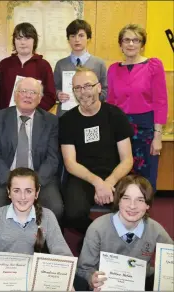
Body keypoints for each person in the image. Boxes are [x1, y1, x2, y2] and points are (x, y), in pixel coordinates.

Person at [0, 168, 72, 290]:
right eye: (16, 191)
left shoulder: (47, 216)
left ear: (37, 193)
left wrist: (66, 277)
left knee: (75, 282)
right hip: (3, 279)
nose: (22, 197)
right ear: (9, 192)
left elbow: (62, 254)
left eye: (28, 191)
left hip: (33, 280)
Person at [59, 67, 133, 236]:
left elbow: (127, 159)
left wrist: (109, 182)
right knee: (72, 214)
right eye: (77, 88)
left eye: (87, 86)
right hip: (83, 177)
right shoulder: (67, 121)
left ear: (99, 87)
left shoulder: (115, 115)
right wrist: (98, 183)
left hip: (115, 175)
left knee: (132, 206)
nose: (83, 92)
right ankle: (94, 236)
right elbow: (70, 163)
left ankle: (113, 239)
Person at [75, 175, 173, 291]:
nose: (132, 206)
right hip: (105, 285)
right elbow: (83, 269)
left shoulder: (155, 230)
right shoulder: (97, 228)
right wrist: (92, 278)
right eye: (126, 198)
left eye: (140, 200)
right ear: (118, 201)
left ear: (148, 205)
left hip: (140, 283)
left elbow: (170, 257)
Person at [0, 77, 62, 220]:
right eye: (23, 91)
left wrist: (35, 182)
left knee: (55, 209)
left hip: (39, 176)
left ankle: (42, 242)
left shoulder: (51, 121)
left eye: (33, 92)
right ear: (15, 95)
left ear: (40, 99)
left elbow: (52, 158)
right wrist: (11, 181)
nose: (28, 95)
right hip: (6, 177)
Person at [107, 24, 168, 190]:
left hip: (145, 130)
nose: (131, 44)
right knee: (122, 178)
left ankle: (144, 214)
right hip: (119, 130)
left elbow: (160, 101)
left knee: (145, 179)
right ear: (120, 44)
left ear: (142, 44)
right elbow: (110, 102)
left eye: (136, 40)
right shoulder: (113, 69)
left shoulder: (153, 66)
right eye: (126, 40)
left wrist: (157, 136)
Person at [54, 19, 107, 117]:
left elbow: (105, 90)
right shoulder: (60, 64)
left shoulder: (99, 63)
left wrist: (93, 96)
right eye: (73, 36)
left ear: (88, 38)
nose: (77, 40)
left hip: (92, 114)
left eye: (81, 35)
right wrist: (58, 94)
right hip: (66, 114)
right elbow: (54, 88)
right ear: (68, 39)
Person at [0, 22, 56, 111]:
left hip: (35, 118)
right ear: (14, 41)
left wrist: (31, 111)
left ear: (34, 41)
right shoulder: (5, 64)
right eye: (18, 38)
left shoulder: (43, 65)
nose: (23, 42)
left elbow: (50, 96)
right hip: (7, 118)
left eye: (27, 38)